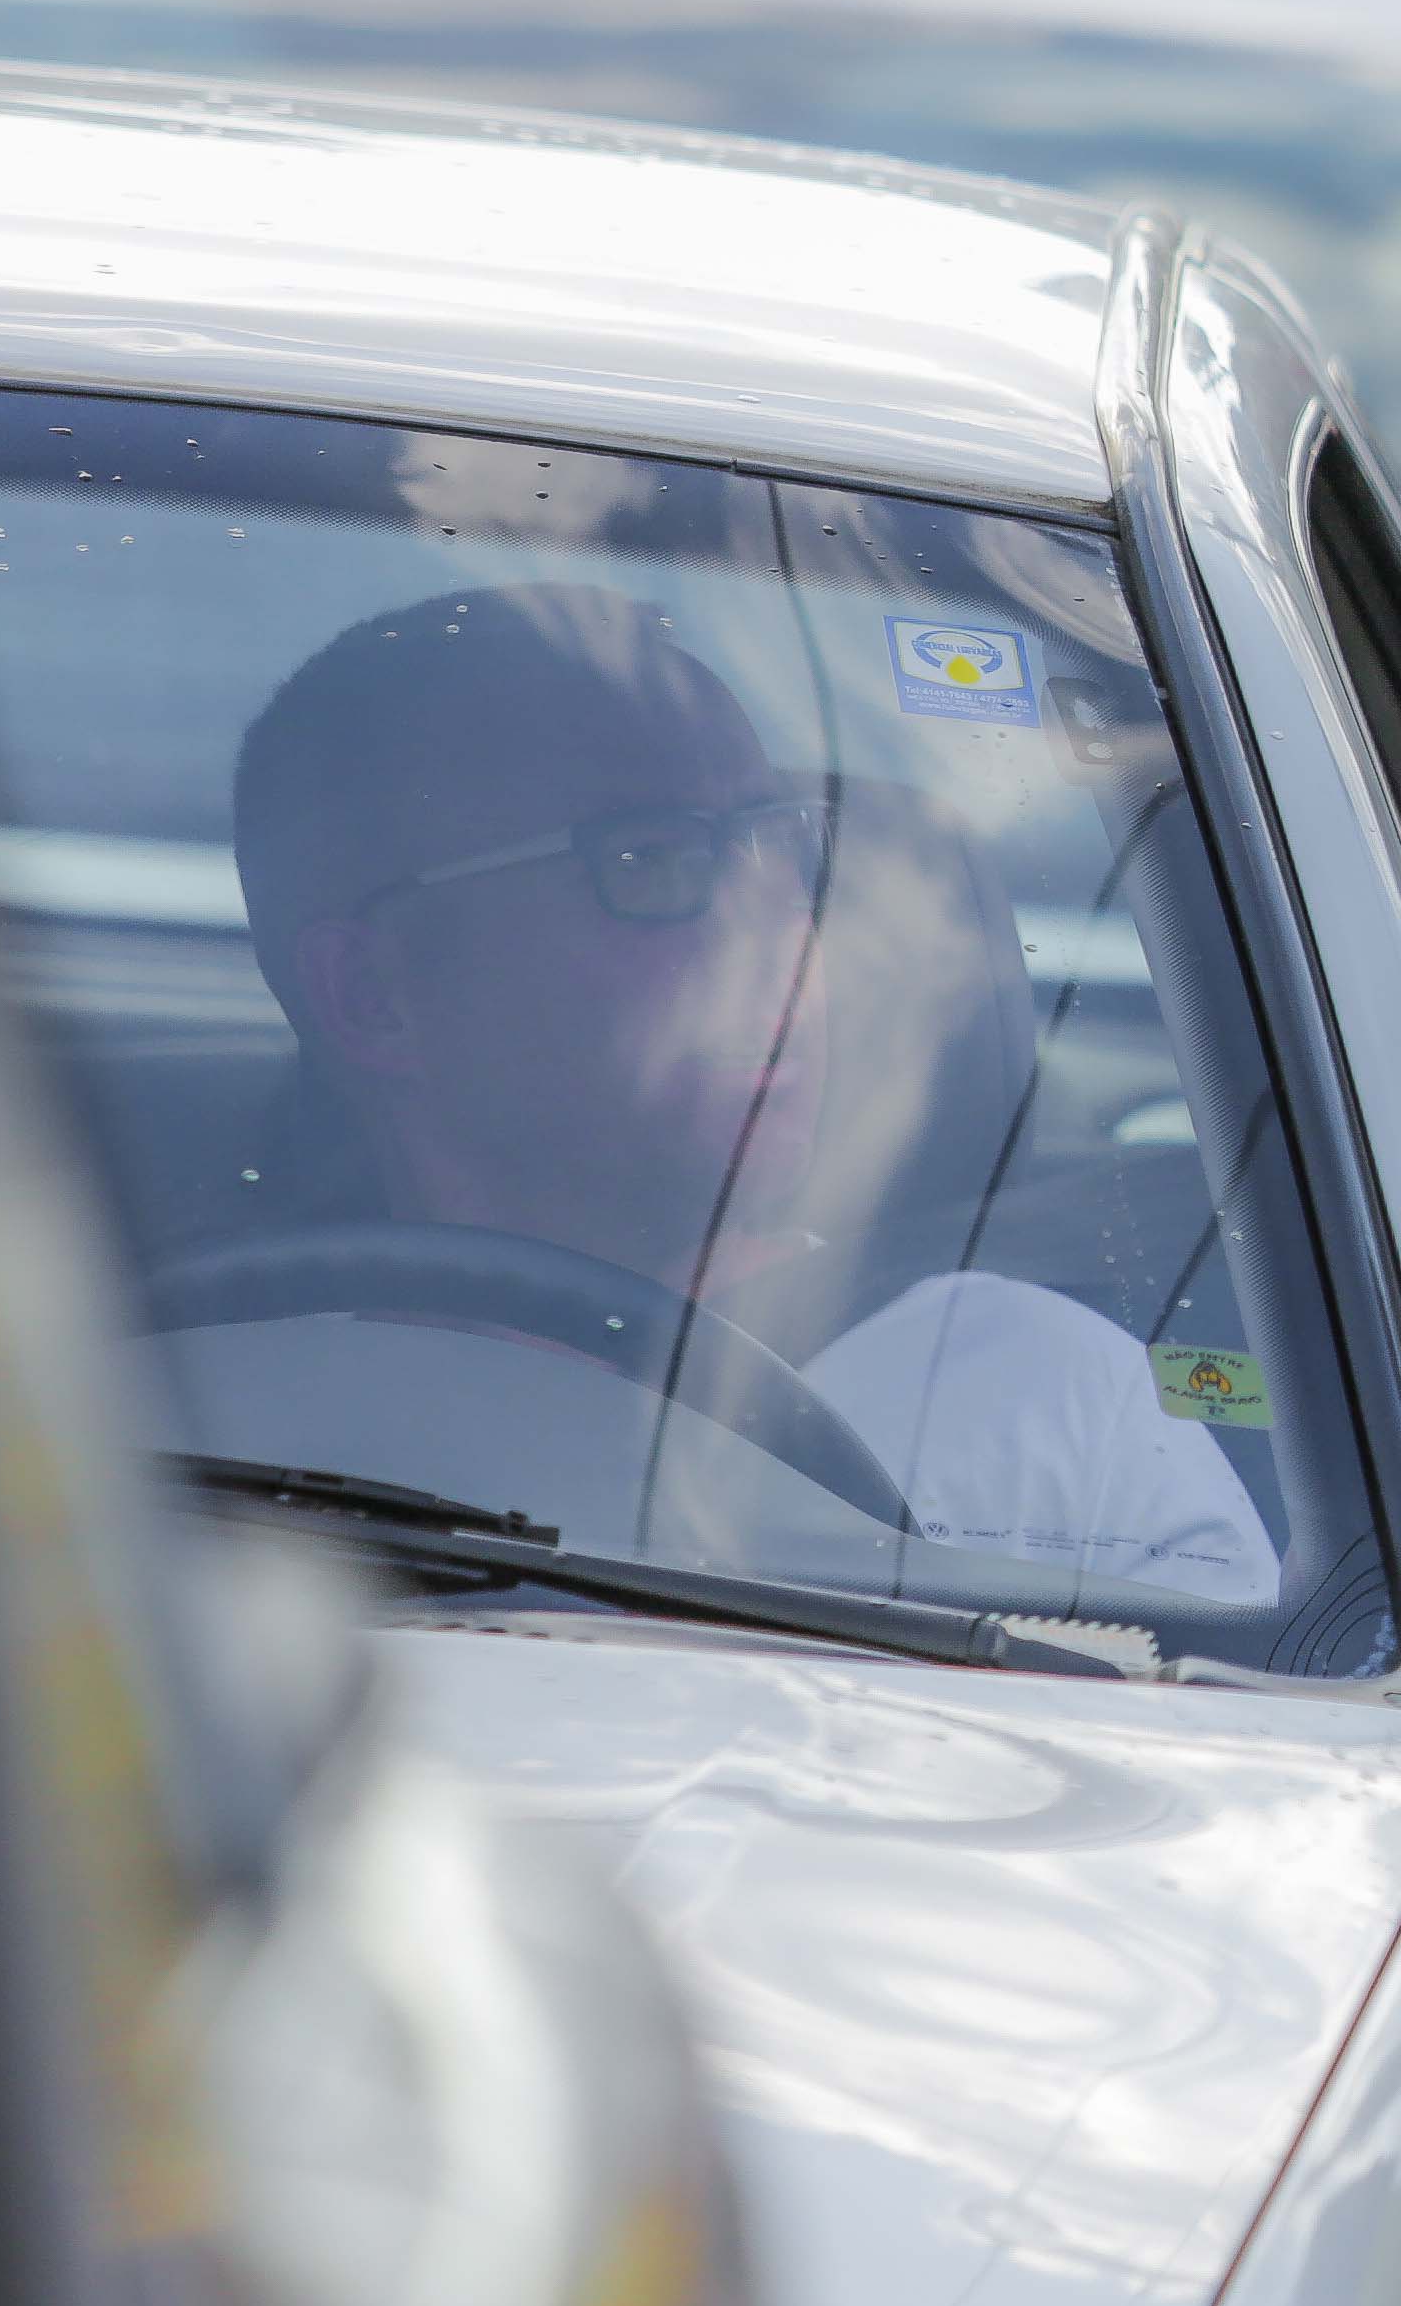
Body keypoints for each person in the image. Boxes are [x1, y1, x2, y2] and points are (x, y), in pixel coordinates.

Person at [208, 582, 1284, 1595]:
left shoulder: (1055, 1406)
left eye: (782, 849)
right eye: (651, 861)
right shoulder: (187, 1429)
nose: (785, 935)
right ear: (375, 995)